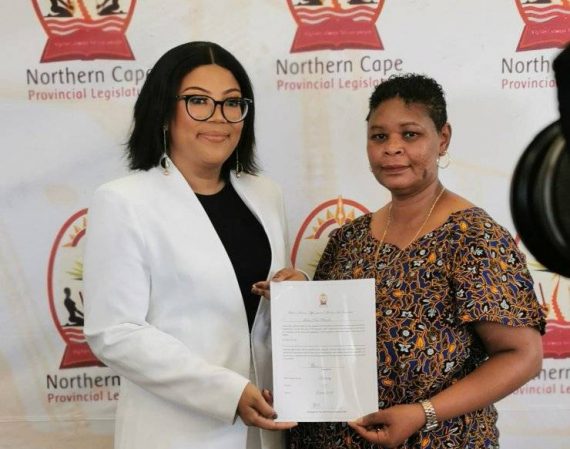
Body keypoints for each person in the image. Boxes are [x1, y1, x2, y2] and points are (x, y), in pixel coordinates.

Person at [285, 74, 545, 449]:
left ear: (443, 138)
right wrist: (298, 297)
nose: (392, 148)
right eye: (379, 136)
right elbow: (331, 341)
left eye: (410, 134)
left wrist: (423, 413)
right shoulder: (349, 238)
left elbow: (523, 356)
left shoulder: (473, 237)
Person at [83, 41, 301, 449]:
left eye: (232, 103)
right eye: (198, 101)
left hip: (267, 428)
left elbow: (260, 311)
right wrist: (226, 392)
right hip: (177, 432)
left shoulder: (266, 195)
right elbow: (114, 331)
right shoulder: (124, 200)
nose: (219, 117)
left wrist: (296, 290)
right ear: (164, 111)